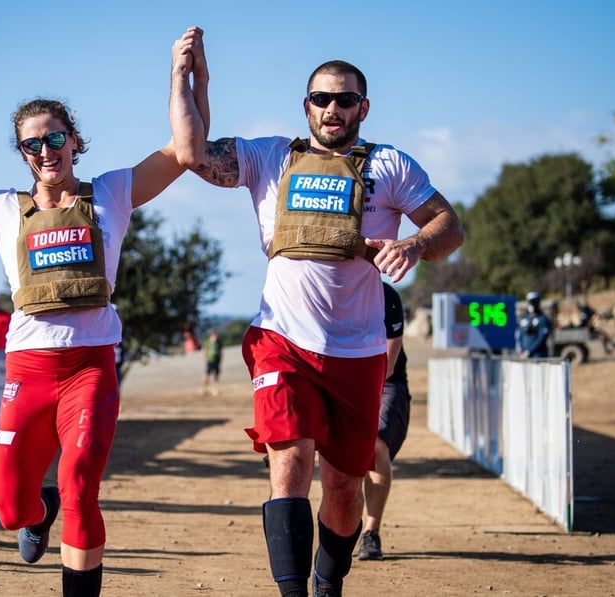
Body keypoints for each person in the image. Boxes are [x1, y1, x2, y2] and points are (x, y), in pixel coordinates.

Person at [0, 26, 208, 597]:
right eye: (32, 144)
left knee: (79, 482)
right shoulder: (0, 208)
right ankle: (36, 513)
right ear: (22, 153)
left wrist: (181, 76)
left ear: (75, 141)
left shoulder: (113, 193)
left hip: (90, 367)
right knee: (10, 506)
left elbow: (185, 151)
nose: (46, 152)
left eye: (55, 138)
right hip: (29, 371)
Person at [170, 38, 465, 597]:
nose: (333, 110)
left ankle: (328, 584)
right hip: (281, 338)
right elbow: (190, 153)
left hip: (357, 351)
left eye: (345, 100)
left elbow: (449, 225)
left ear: (363, 108)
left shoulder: (389, 164)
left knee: (345, 488)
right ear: (305, 105)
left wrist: (415, 245)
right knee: (291, 460)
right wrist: (187, 79)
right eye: (321, 99)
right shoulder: (269, 157)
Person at [358, 282, 411, 561]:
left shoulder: (386, 296)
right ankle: (342, 527)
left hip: (386, 381)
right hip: (347, 381)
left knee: (376, 446)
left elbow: (387, 365)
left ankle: (371, 532)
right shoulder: (331, 289)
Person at [517, 291, 552, 359]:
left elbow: (541, 338)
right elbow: (519, 336)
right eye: (530, 302)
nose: (532, 304)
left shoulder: (543, 319)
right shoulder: (524, 319)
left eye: (534, 302)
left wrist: (529, 352)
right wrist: (521, 351)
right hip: (524, 357)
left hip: (538, 356)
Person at [200, 329, 223, 396]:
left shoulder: (218, 342)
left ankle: (215, 390)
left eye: (216, 336)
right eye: (214, 336)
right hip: (209, 361)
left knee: (216, 376)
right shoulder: (207, 342)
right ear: (211, 336)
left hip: (216, 361)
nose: (215, 338)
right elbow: (204, 350)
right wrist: (205, 358)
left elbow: (220, 351)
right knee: (207, 375)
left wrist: (220, 359)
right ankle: (204, 389)